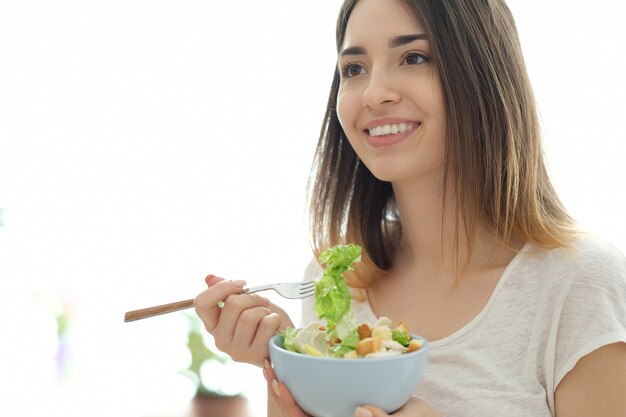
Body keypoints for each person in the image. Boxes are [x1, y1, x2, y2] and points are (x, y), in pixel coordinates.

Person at [194, 0, 626, 416]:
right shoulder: (334, 282)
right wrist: (284, 366)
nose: (374, 93)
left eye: (414, 57)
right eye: (355, 68)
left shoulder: (579, 283)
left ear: (485, 74)